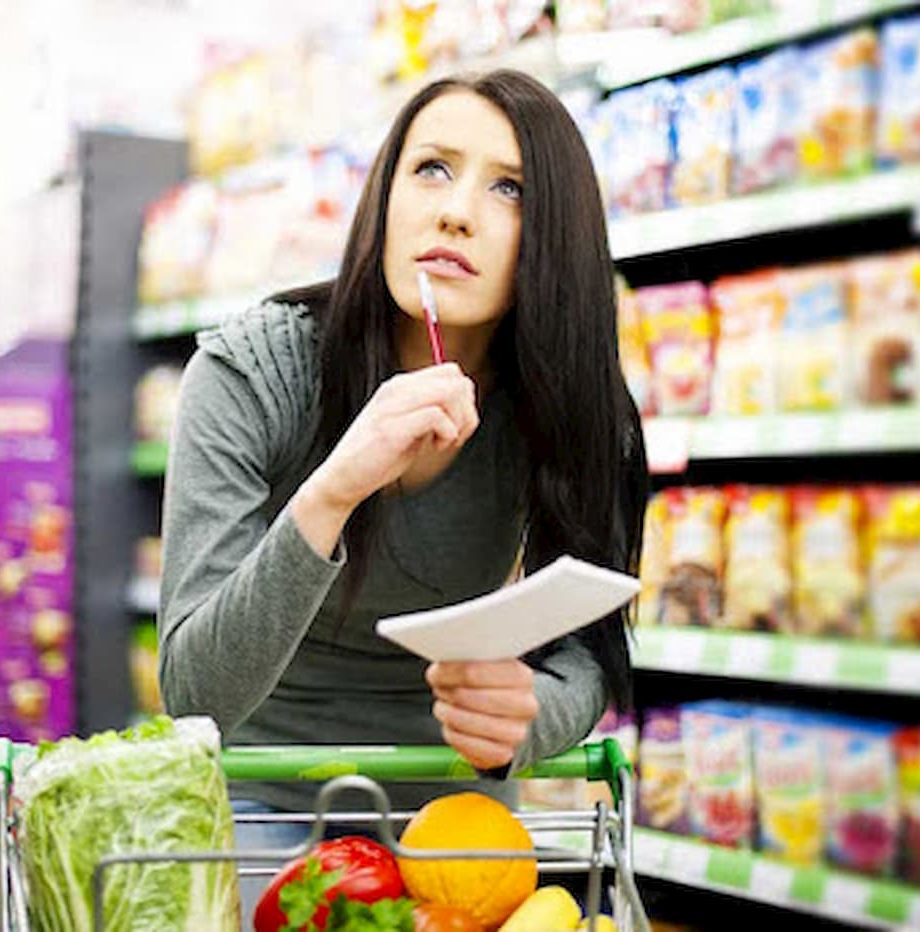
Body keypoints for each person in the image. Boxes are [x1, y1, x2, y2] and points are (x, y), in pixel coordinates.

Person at [157, 68, 647, 917]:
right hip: (255, 799)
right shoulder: (250, 373)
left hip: (453, 818)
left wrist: (530, 716)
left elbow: (589, 652)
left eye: (509, 187)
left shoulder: (572, 409)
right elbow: (192, 693)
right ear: (383, 198)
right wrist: (335, 488)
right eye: (431, 168)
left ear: (556, 237)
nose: (455, 208)